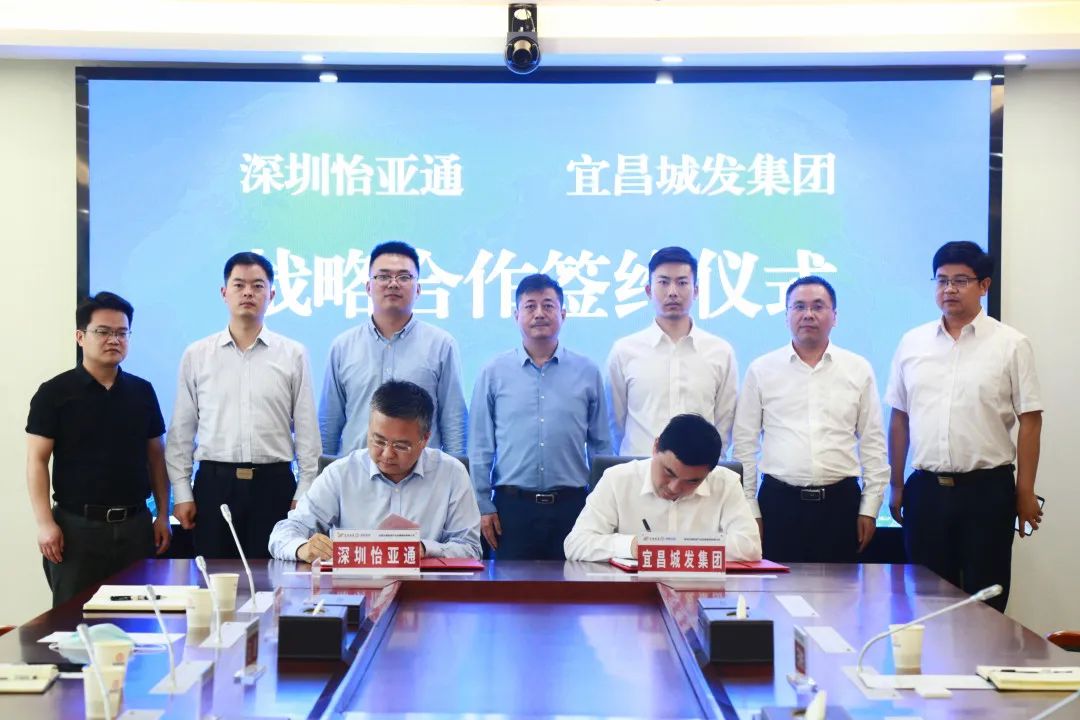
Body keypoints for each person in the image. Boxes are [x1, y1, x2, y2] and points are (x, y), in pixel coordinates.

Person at [885, 241, 1043, 612]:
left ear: (984, 285)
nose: (949, 289)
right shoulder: (912, 343)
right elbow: (899, 417)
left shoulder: (1011, 344)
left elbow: (1031, 420)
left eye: (960, 280)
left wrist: (1025, 490)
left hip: (986, 491)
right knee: (926, 600)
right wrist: (896, 483)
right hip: (926, 490)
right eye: (941, 280)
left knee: (986, 601)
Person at [166, 252, 320, 559]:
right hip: (214, 485)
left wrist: (304, 492)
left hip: (274, 485)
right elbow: (181, 432)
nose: (248, 292)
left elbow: (307, 432)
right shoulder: (197, 354)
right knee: (215, 577)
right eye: (239, 285)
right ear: (224, 293)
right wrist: (182, 492)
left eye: (258, 286)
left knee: (275, 575)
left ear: (271, 295)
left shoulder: (293, 354)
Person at [27, 292, 171, 606]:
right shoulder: (54, 393)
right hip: (76, 530)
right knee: (73, 620)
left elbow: (156, 458)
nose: (114, 340)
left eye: (122, 333)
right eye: (103, 332)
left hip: (135, 527)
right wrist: (45, 523)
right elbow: (37, 460)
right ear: (80, 337)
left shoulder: (142, 391)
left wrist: (162, 515)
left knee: (139, 617)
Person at [732, 275, 888, 563]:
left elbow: (873, 443)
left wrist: (870, 507)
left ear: (834, 316)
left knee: (842, 589)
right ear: (786, 316)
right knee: (778, 587)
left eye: (818, 306)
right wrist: (749, 508)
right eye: (799, 307)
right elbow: (744, 445)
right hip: (779, 503)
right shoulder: (762, 369)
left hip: (841, 503)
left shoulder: (857, 368)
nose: (808, 314)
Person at [469, 274, 611, 559]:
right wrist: (482, 504)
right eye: (530, 306)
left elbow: (601, 446)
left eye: (548, 305)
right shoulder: (493, 372)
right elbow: (480, 445)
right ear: (516, 315)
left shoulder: (587, 371)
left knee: (576, 585)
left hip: (573, 506)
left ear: (563, 314)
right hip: (512, 508)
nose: (539, 314)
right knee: (511, 587)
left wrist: (603, 504)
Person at [270, 381, 481, 561]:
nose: (387, 454)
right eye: (378, 440)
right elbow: (284, 533)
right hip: (355, 590)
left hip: (427, 590)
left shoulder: (452, 474)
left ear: (425, 439)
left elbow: (471, 549)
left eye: (401, 446)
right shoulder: (341, 474)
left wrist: (424, 549)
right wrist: (302, 548)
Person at [320, 241, 466, 457]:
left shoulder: (442, 345)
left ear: (418, 289)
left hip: (422, 473)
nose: (393, 284)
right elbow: (329, 423)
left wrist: (457, 471)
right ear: (368, 287)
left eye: (404, 277)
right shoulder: (343, 347)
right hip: (356, 472)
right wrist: (323, 472)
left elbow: (454, 421)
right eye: (383, 276)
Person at [564, 413, 761, 563]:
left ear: (709, 472)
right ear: (655, 447)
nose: (675, 488)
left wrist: (667, 547)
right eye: (669, 472)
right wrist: (632, 546)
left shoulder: (726, 483)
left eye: (692, 481)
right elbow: (576, 544)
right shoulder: (617, 479)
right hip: (633, 594)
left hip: (703, 594)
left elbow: (750, 547)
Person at [606, 246, 738, 456]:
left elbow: (724, 423)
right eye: (664, 282)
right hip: (638, 470)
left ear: (696, 290)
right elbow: (615, 424)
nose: (673, 292)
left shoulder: (720, 352)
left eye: (682, 283)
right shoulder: (624, 351)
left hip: (700, 471)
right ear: (648, 290)